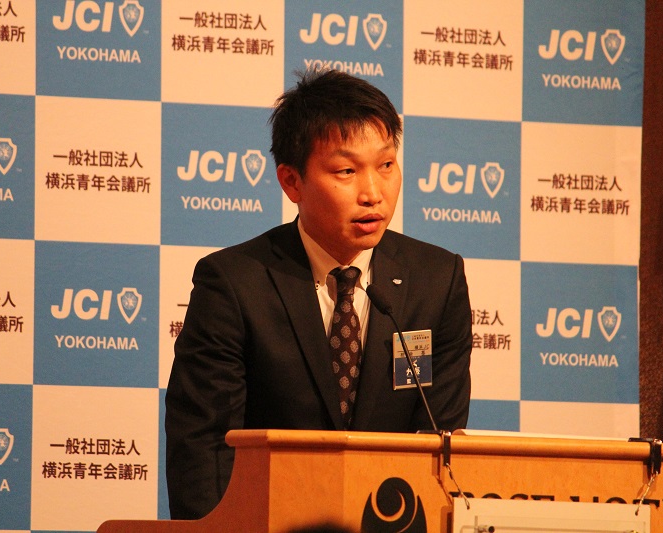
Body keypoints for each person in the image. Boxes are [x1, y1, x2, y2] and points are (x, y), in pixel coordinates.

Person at [165, 69, 472, 520]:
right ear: (292, 182)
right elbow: (205, 446)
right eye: (346, 171)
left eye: (386, 165)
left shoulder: (437, 280)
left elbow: (439, 443)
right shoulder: (233, 283)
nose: (373, 193)